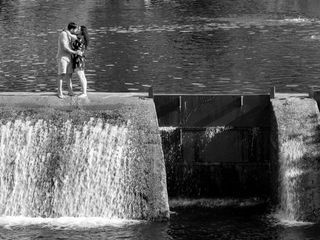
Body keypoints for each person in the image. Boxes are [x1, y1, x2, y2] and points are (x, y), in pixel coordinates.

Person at [56, 22, 82, 99]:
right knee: (62, 74)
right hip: (62, 57)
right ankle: (59, 92)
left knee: (69, 75)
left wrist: (69, 33)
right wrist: (75, 52)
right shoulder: (63, 34)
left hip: (69, 57)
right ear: (71, 29)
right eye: (75, 29)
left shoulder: (69, 34)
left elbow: (76, 38)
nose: (77, 31)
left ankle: (70, 91)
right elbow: (65, 47)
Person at [72, 25, 89, 98]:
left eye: (78, 29)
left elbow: (71, 36)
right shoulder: (81, 38)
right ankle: (84, 91)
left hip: (78, 58)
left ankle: (84, 93)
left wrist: (66, 31)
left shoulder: (79, 38)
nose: (76, 29)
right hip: (80, 57)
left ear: (81, 31)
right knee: (82, 75)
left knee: (80, 75)